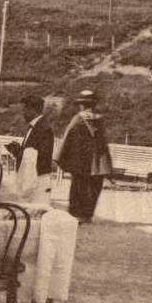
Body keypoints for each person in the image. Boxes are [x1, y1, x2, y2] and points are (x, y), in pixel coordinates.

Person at [56, 90, 111, 224]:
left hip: (80, 161)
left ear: (81, 105)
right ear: (94, 105)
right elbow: (103, 142)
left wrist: (60, 157)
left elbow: (67, 138)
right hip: (98, 163)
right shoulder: (100, 120)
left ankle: (76, 214)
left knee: (78, 187)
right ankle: (87, 215)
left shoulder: (77, 119)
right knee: (93, 189)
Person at [6, 95, 54, 205]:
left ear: (32, 110)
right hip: (34, 178)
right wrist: (18, 151)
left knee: (36, 211)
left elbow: (42, 155)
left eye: (24, 110)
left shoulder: (43, 128)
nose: (23, 113)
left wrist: (21, 152)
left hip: (38, 179)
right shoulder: (35, 126)